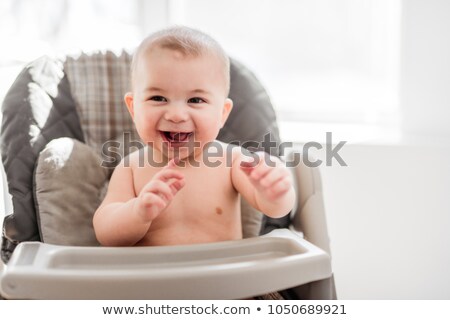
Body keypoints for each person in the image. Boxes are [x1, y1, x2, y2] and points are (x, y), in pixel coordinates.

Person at [93, 26, 295, 247]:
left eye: (196, 100)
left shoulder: (232, 161)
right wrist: (138, 212)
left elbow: (273, 208)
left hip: (220, 278)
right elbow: (106, 233)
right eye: (158, 98)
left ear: (222, 113)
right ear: (133, 109)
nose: (177, 115)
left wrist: (274, 192)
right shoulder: (131, 168)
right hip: (150, 280)